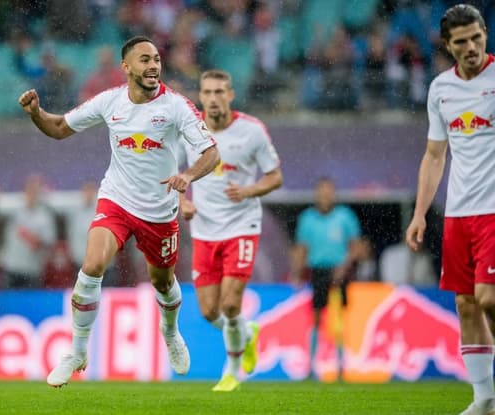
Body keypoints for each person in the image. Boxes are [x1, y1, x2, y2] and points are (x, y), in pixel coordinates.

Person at [18, 35, 220, 387]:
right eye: (144, 60)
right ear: (126, 68)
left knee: (163, 282)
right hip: (117, 200)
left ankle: (170, 333)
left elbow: (211, 153)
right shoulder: (110, 102)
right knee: (93, 264)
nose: (153, 65)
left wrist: (187, 175)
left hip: (159, 211)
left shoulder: (176, 107)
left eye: (156, 58)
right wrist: (36, 113)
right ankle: (77, 351)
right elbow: (60, 128)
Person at [405, 5, 495, 414]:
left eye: (477, 37)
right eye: (462, 42)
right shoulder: (440, 88)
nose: (472, 47)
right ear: (448, 45)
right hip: (460, 213)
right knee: (466, 304)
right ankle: (484, 399)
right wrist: (421, 213)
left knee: (489, 298)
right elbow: (434, 155)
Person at [178, 69, 282, 391]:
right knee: (210, 311)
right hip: (205, 230)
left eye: (219, 92)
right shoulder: (189, 132)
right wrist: (183, 203)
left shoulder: (251, 131)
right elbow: (176, 176)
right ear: (200, 96)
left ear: (230, 95)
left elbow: (274, 176)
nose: (212, 98)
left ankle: (232, 371)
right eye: (207, 92)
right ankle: (247, 333)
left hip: (242, 226)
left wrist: (249, 191)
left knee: (230, 304)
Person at [290, 177, 362, 380]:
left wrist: (344, 266)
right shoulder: (307, 218)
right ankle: (311, 367)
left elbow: (356, 247)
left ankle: (341, 367)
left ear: (333, 194)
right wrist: (296, 272)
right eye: (321, 192)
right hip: (318, 271)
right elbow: (302, 249)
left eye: (328, 191)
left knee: (338, 318)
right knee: (316, 317)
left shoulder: (345, 216)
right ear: (316, 195)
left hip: (340, 272)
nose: (325, 195)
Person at [0, 174, 56, 289]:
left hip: (32, 270)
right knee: (9, 304)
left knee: (31, 304)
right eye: (29, 190)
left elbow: (49, 241)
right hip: (12, 268)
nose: (31, 194)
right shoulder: (13, 211)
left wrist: (35, 239)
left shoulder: (44, 216)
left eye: (35, 191)